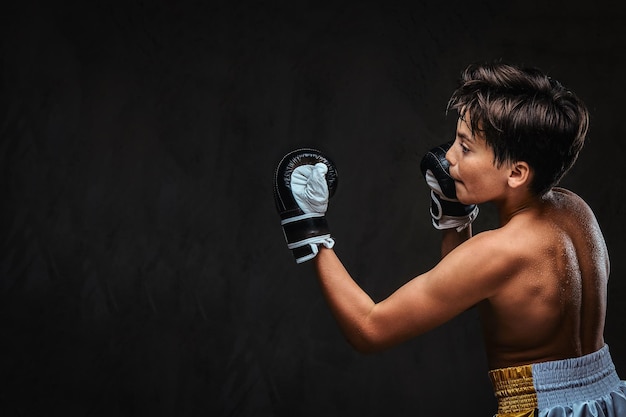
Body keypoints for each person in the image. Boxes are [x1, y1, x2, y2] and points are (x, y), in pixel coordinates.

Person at [273, 62, 626, 417]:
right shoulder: (576, 210)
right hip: (609, 398)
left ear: (517, 172)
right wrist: (454, 220)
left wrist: (309, 227)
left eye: (466, 148)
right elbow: (469, 287)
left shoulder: (498, 251)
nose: (449, 157)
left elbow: (369, 328)